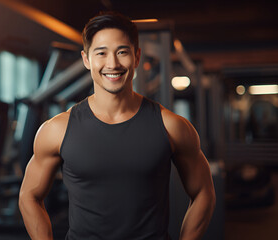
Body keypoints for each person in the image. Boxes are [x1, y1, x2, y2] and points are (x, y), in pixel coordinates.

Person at [19, 11, 216, 240]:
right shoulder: (56, 130)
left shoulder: (172, 126)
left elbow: (204, 192)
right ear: (86, 59)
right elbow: (29, 196)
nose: (112, 64)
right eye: (101, 53)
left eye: (122, 52)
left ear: (137, 57)